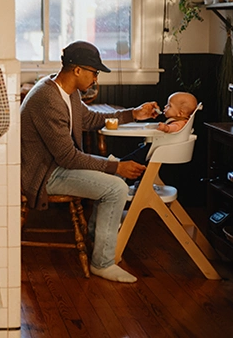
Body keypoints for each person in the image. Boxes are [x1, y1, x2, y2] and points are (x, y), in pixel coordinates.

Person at [20, 41, 160, 283]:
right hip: (42, 174)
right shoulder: (48, 99)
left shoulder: (66, 91)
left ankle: (99, 240)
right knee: (116, 186)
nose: (95, 79)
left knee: (115, 177)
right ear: (77, 70)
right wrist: (117, 167)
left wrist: (133, 114)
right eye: (94, 73)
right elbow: (68, 157)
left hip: (56, 166)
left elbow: (90, 119)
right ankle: (102, 263)